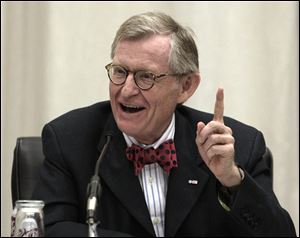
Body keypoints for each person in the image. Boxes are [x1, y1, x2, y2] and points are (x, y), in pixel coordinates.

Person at [32, 12, 296, 237]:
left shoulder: (239, 145)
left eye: (146, 76)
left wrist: (232, 180)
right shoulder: (69, 139)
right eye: (120, 71)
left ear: (185, 86)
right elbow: (48, 230)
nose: (126, 90)